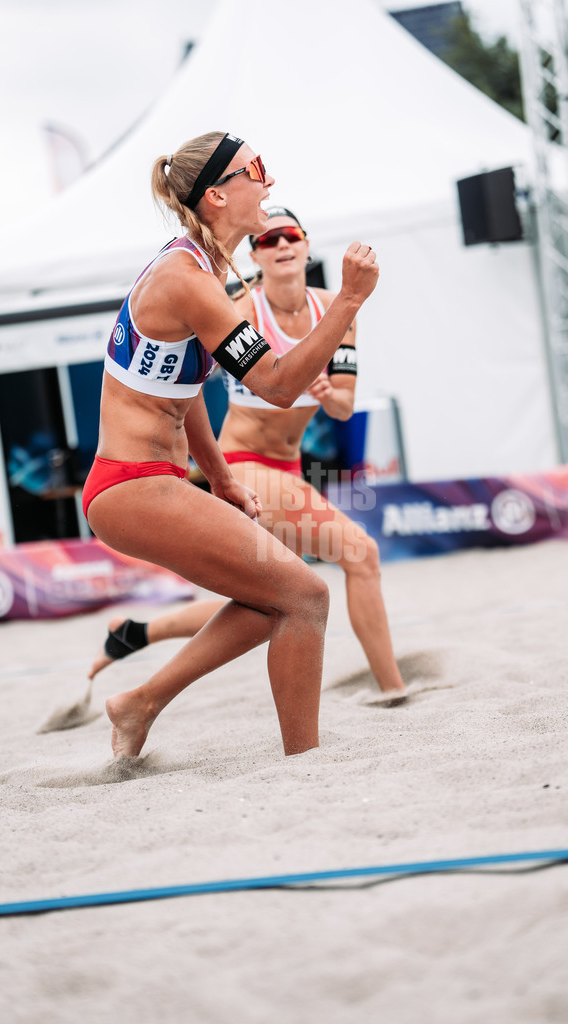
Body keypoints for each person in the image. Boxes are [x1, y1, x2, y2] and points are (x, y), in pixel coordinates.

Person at [82, 131, 379, 759]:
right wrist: (348, 299)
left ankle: (139, 703)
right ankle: (306, 765)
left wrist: (217, 476)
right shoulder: (186, 278)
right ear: (217, 195)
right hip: (132, 484)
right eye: (256, 169)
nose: (269, 181)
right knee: (307, 596)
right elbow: (275, 384)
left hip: (148, 479)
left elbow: (182, 391)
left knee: (270, 599)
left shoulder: (206, 269)